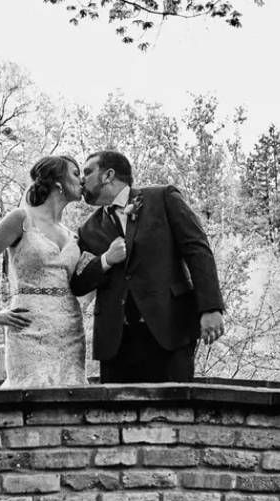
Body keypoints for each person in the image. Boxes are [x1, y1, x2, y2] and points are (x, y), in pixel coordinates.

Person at [70, 150, 224, 383]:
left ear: (108, 175)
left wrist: (210, 308)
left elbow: (198, 251)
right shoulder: (87, 230)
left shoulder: (162, 198)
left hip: (170, 332)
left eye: (88, 171)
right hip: (115, 343)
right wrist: (105, 261)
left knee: (173, 414)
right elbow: (78, 283)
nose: (82, 179)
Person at [0, 155, 88, 388]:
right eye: (75, 173)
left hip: (71, 331)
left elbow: (80, 284)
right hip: (28, 328)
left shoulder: (72, 234)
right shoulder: (21, 218)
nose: (82, 180)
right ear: (58, 181)